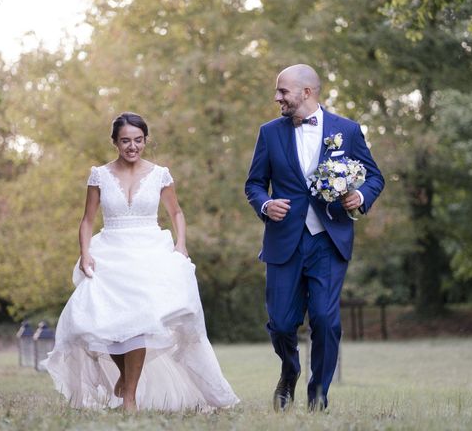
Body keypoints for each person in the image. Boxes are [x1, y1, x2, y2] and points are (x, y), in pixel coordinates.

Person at [43, 112, 239, 412]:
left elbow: (176, 213)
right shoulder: (99, 175)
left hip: (149, 252)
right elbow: (87, 220)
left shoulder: (160, 174)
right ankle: (124, 375)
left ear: (145, 140)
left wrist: (181, 244)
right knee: (101, 322)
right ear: (115, 142)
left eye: (138, 140)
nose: (132, 147)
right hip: (110, 251)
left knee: (141, 322)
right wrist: (85, 253)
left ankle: (130, 398)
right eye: (125, 141)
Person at [245, 64, 384, 411]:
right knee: (280, 323)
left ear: (306, 93)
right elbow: (254, 184)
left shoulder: (347, 130)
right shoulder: (269, 132)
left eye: (283, 91)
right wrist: (265, 204)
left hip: (329, 239)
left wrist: (360, 196)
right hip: (284, 240)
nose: (277, 97)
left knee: (325, 318)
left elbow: (374, 177)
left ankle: (318, 393)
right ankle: (289, 370)